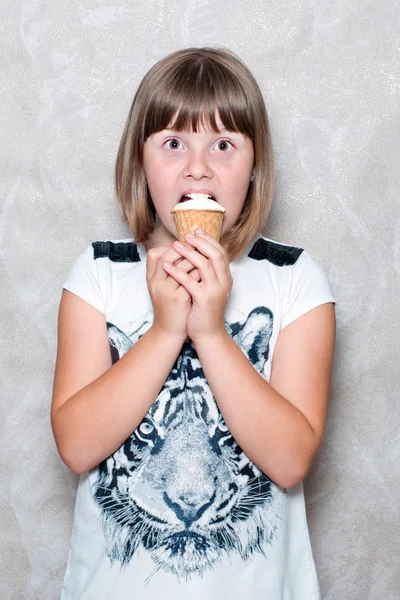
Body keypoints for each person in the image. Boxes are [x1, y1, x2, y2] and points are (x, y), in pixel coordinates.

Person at [51, 47, 335, 600]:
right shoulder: (99, 273)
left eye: (223, 145)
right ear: (141, 162)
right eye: (173, 143)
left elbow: (290, 459)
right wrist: (163, 331)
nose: (197, 167)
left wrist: (209, 332)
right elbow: (77, 446)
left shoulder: (295, 279)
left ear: (254, 169)